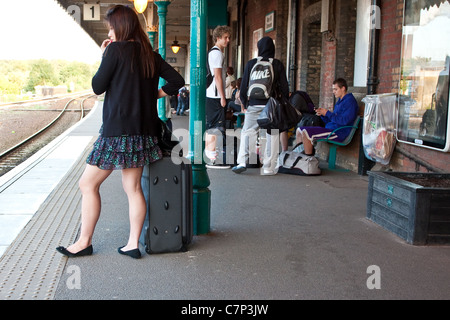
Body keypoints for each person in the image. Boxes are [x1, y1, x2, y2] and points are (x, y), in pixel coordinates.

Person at [56, 5, 184, 259]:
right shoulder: (150, 54)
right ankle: (132, 244)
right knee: (132, 188)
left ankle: (84, 242)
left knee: (87, 184)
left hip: (117, 133)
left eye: (112, 27)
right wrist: (153, 94)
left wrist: (104, 57)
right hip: (143, 132)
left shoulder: (114, 51)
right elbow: (177, 82)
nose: (110, 32)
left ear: (121, 26)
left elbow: (97, 87)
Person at [232, 36, 290, 175]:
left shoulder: (251, 63)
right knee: (272, 134)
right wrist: (282, 103)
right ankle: (269, 167)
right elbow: (284, 87)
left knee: (248, 132)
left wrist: (246, 104)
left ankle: (241, 161)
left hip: (254, 104)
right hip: (271, 105)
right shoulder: (276, 64)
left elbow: (244, 85)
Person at [295, 78, 359, 156]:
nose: (333, 92)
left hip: (338, 132)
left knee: (306, 132)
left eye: (335, 89)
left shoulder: (350, 101)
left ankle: (307, 161)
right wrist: (323, 115)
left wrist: (327, 113)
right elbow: (332, 120)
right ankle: (298, 157)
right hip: (331, 128)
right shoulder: (340, 101)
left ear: (343, 88)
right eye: (333, 89)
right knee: (299, 130)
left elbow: (344, 121)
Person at [205, 25, 232, 169]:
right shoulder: (217, 54)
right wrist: (223, 96)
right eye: (225, 37)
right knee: (215, 125)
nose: (228, 40)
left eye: (228, 37)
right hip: (214, 94)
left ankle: (211, 155)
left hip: (212, 94)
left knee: (214, 125)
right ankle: (211, 158)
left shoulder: (215, 52)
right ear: (218, 38)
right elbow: (218, 77)